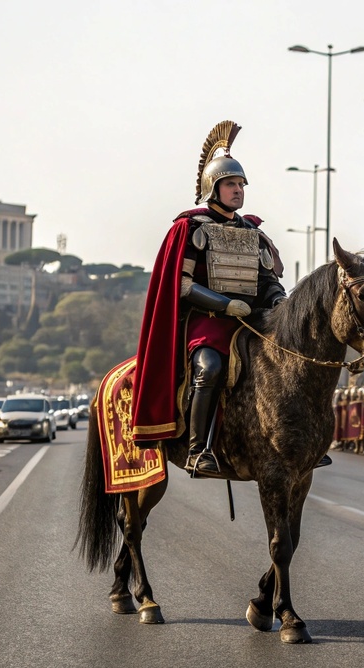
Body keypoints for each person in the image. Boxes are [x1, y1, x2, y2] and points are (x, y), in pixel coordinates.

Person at [131, 121, 287, 477]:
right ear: (212, 188)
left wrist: (278, 301)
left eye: (241, 184)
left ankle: (295, 443)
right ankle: (198, 449)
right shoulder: (191, 228)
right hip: (208, 323)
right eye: (231, 184)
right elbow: (182, 285)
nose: (238, 190)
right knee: (210, 368)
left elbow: (267, 280)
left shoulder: (253, 233)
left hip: (252, 322)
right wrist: (223, 304)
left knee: (287, 367)